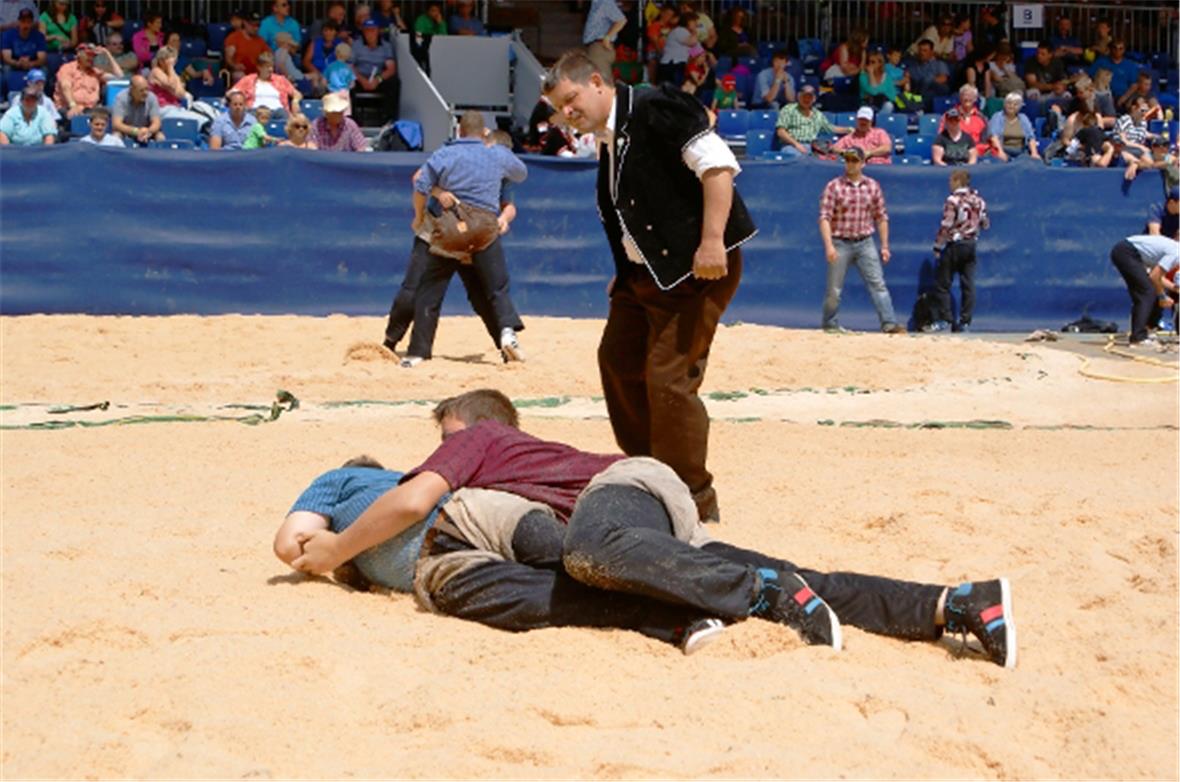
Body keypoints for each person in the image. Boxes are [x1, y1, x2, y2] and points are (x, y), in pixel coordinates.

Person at [282, 389, 1018, 668]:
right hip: (641, 522)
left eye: (443, 435)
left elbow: (413, 505)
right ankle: (954, 605)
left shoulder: (478, 443)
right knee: (801, 582)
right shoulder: (509, 472)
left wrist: (337, 555)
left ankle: (752, 592)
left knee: (590, 555)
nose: (436, 449)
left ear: (469, 427)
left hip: (619, 494)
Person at [543, 49, 756, 524]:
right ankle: (651, 473)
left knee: (669, 379)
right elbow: (623, 210)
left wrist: (712, 242)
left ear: (597, 82)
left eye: (572, 99)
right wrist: (625, 268)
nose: (568, 112)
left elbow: (718, 167)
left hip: (697, 268)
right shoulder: (608, 134)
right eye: (561, 107)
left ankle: (694, 499)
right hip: (645, 274)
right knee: (618, 361)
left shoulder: (656, 107)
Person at [400, 111, 528, 366]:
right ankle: (506, 332)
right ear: (484, 133)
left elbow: (420, 185)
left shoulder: (444, 154)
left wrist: (417, 216)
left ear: (459, 132)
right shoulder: (496, 153)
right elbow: (521, 173)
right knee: (496, 287)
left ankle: (417, 353)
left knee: (430, 289)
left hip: (450, 228)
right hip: (484, 228)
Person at [819, 146, 905, 335]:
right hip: (840, 240)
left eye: (854, 160)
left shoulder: (872, 186)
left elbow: (881, 217)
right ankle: (829, 324)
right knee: (834, 289)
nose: (850, 164)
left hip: (865, 241)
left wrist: (884, 246)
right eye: (848, 160)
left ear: (863, 163)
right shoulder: (834, 186)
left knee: (878, 284)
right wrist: (829, 245)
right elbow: (825, 217)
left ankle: (889, 324)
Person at [924, 169, 989, 334]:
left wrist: (938, 245)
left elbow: (947, 224)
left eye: (951, 180)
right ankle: (965, 322)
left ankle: (945, 319)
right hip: (971, 244)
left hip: (956, 244)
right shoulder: (979, 200)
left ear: (957, 180)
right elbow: (985, 223)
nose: (949, 183)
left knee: (943, 284)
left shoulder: (952, 200)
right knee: (968, 284)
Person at [1108, 234, 1180, 346]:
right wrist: (1162, 296)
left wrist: (1174, 289)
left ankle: (1147, 330)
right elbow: (1155, 276)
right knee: (1147, 293)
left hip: (1129, 253)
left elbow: (1156, 276)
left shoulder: (1175, 251)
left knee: (1150, 291)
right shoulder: (1176, 253)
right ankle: (1138, 338)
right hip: (1126, 252)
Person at [774, 84, 845, 157]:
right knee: (799, 158)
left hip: (813, 146)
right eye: (804, 96)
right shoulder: (788, 109)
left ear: (814, 99)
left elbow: (830, 128)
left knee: (839, 155)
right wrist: (796, 144)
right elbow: (781, 132)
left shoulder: (817, 114)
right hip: (792, 146)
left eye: (809, 97)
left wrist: (849, 129)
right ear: (798, 96)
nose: (806, 100)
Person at [349, 18, 398, 123]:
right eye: (367, 30)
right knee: (347, 82)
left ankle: (387, 119)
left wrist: (377, 80)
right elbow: (350, 66)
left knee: (394, 82)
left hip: (378, 79)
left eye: (373, 30)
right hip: (360, 78)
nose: (370, 33)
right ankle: (352, 119)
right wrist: (362, 80)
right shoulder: (356, 45)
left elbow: (391, 68)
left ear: (378, 31)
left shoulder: (386, 46)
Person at [230, 50, 301, 119]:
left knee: (284, 114)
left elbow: (297, 93)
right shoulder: (249, 79)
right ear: (259, 67)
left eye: (271, 67)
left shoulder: (281, 80)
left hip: (277, 111)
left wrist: (295, 100)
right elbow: (231, 93)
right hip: (256, 111)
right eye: (267, 67)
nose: (270, 69)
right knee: (249, 116)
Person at [1, 8, 47, 95]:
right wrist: (18, 63)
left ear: (32, 23)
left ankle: (41, 95)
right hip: (14, 63)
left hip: (33, 63)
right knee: (5, 70)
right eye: (23, 21)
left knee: (44, 70)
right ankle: (6, 96)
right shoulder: (8, 35)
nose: (25, 25)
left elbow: (42, 58)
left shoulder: (39, 36)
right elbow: (6, 57)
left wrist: (31, 64)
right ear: (18, 22)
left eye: (28, 22)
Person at [52, 41, 101, 118]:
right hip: (68, 107)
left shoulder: (95, 71)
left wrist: (108, 54)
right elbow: (65, 87)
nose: (91, 58)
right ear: (79, 54)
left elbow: (119, 77)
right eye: (88, 55)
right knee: (74, 116)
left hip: (90, 110)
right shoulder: (67, 68)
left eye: (93, 56)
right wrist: (73, 105)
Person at [987, 92, 1040, 161]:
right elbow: (994, 137)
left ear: (1020, 106)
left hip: (1021, 152)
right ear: (1004, 104)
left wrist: (1034, 153)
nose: (1011, 106)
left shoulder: (1023, 118)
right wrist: (1000, 152)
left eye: (1015, 104)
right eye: (1009, 103)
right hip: (1004, 149)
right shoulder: (998, 117)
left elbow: (1031, 138)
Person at [111, 73, 162, 145]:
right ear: (132, 90)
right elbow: (116, 124)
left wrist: (148, 131)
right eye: (141, 90)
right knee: (115, 136)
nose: (145, 93)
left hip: (146, 133)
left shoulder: (152, 98)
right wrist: (135, 131)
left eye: (147, 89)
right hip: (126, 132)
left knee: (160, 136)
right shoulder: (121, 98)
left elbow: (156, 123)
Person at [581, 0, 625, 77]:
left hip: (600, 47)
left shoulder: (604, 2)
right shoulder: (596, 3)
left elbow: (621, 20)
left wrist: (608, 37)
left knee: (601, 81)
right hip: (595, 47)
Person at [1090, 40, 1140, 107]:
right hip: (1102, 95)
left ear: (1124, 50)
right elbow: (1090, 77)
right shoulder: (1101, 62)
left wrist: (1123, 98)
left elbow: (1134, 85)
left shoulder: (1130, 65)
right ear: (1110, 49)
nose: (1117, 51)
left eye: (1120, 48)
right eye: (1115, 48)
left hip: (1122, 97)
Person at [225, 11, 271, 82]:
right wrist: (235, 66)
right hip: (240, 71)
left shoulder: (260, 40)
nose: (256, 28)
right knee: (239, 75)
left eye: (258, 25)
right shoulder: (233, 38)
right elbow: (229, 59)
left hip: (256, 72)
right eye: (253, 25)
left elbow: (269, 56)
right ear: (245, 23)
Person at [1116, 97, 1155, 181]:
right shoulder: (1124, 119)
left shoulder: (1143, 122)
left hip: (1139, 151)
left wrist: (1158, 136)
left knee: (1151, 163)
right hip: (1124, 150)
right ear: (1134, 108)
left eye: (1146, 111)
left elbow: (1145, 133)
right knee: (1146, 159)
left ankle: (1135, 164)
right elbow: (1123, 140)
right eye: (1142, 111)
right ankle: (1135, 163)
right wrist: (1139, 146)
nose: (1144, 114)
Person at [302, 19, 339, 96]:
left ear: (335, 32)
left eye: (331, 30)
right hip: (317, 75)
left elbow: (343, 62)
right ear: (322, 32)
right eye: (326, 30)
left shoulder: (340, 45)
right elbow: (306, 61)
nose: (328, 33)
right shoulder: (315, 43)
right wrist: (317, 73)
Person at [908, 39, 950, 105]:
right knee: (928, 94)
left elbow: (943, 78)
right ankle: (919, 105)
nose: (921, 53)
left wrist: (928, 80)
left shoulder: (939, 64)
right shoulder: (913, 66)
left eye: (925, 51)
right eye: (920, 50)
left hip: (935, 88)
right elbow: (910, 79)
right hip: (920, 89)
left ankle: (918, 103)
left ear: (931, 52)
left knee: (929, 80)